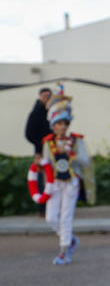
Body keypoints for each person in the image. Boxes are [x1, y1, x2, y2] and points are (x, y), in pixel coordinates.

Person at [40, 85, 89, 265]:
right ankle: (71, 240)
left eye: (64, 123)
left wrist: (71, 155)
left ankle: (64, 251)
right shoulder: (48, 143)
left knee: (66, 217)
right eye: (58, 123)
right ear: (53, 125)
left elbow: (86, 161)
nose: (62, 127)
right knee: (51, 217)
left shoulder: (76, 141)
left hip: (71, 181)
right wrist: (39, 165)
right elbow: (46, 163)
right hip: (54, 183)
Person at [25, 87, 53, 217]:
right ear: (40, 97)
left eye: (48, 96)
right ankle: (43, 208)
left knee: (53, 178)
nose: (46, 98)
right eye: (44, 96)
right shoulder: (35, 113)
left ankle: (53, 206)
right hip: (41, 151)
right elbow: (29, 134)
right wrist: (40, 145)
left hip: (53, 150)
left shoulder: (52, 111)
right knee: (42, 180)